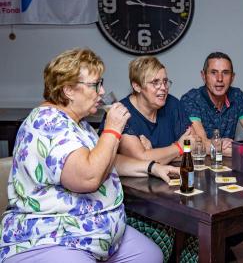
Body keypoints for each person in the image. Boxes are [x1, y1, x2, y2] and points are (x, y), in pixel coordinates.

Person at [0, 48, 180, 263]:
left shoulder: (79, 124)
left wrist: (152, 167)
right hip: (54, 237)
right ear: (68, 90)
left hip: (96, 233)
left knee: (150, 255)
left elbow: (107, 162)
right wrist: (112, 130)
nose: (102, 91)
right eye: (95, 85)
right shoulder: (47, 123)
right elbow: (88, 177)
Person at [180, 52, 243, 161]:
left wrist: (238, 146)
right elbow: (201, 143)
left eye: (225, 73)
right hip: (199, 167)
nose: (219, 79)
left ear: (232, 77)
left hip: (230, 165)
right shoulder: (191, 99)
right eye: (213, 73)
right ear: (203, 76)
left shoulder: (236, 95)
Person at [99, 56, 196, 165]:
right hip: (131, 182)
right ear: (137, 86)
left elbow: (195, 146)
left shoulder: (172, 104)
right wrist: (179, 147)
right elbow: (139, 160)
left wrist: (152, 153)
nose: (163, 87)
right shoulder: (121, 113)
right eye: (155, 82)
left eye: (165, 81)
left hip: (172, 178)